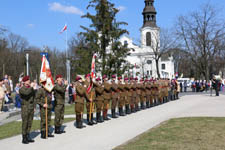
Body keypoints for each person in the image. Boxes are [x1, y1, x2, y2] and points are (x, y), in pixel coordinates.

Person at [19, 76, 35, 144]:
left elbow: (34, 97)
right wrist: (31, 87)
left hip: (31, 107)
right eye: (28, 80)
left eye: (29, 80)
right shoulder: (22, 89)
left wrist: (34, 107)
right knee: (25, 123)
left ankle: (28, 136)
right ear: (24, 82)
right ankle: (24, 137)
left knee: (29, 122)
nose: (29, 81)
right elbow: (26, 93)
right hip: (25, 107)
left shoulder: (31, 89)